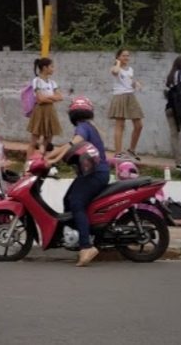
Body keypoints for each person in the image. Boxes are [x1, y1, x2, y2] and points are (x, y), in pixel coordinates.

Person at [42, 97, 110, 267]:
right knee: (67, 199)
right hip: (93, 174)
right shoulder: (89, 126)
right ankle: (75, 236)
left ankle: (86, 246)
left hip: (95, 174)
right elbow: (68, 146)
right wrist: (48, 156)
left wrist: (52, 159)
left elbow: (74, 143)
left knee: (76, 203)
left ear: (72, 114)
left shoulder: (82, 127)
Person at [108, 49, 144, 159]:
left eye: (128, 56)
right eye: (124, 55)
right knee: (120, 125)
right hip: (120, 96)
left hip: (130, 96)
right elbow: (114, 72)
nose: (126, 58)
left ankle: (131, 149)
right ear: (118, 57)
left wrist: (136, 84)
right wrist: (118, 63)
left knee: (139, 125)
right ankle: (118, 152)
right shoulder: (115, 68)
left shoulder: (130, 69)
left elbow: (130, 82)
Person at [27, 58, 63, 153]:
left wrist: (46, 97)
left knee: (48, 140)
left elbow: (60, 97)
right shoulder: (36, 81)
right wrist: (52, 97)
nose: (53, 69)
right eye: (51, 66)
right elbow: (40, 99)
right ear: (44, 68)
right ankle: (28, 162)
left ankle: (42, 161)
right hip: (40, 111)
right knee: (34, 141)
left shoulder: (52, 82)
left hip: (50, 111)